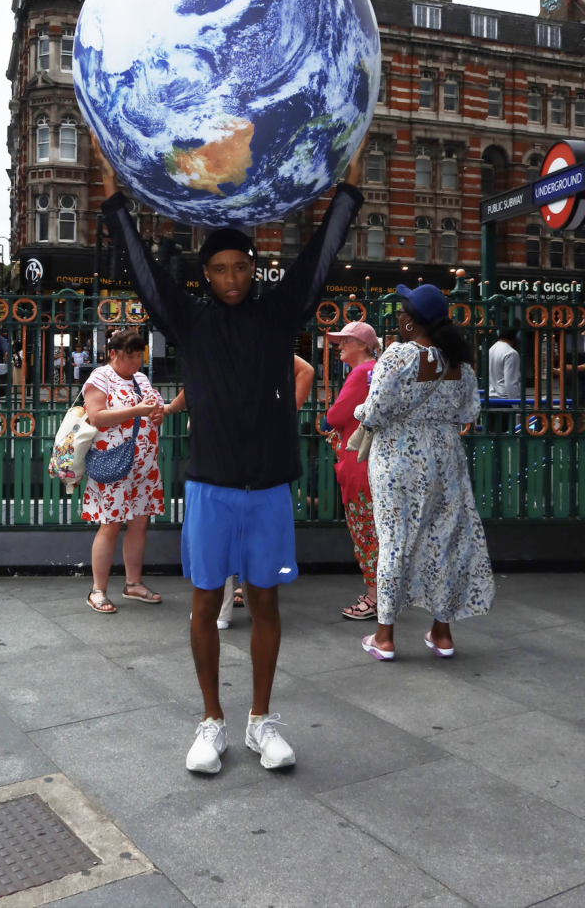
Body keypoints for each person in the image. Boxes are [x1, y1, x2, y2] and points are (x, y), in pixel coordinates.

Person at [94, 131, 364, 774]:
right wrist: (112, 201)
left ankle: (260, 721)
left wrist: (348, 189)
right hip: (213, 487)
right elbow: (139, 263)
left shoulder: (278, 314)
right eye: (218, 270)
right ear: (206, 275)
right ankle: (211, 720)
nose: (231, 279)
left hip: (268, 487)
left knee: (265, 602)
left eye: (240, 267)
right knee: (205, 602)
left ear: (254, 268)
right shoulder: (188, 321)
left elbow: (321, 255)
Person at [355, 283, 494, 661]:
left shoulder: (398, 357)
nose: (397, 317)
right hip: (446, 457)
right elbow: (470, 414)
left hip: (398, 457)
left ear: (413, 324)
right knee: (445, 539)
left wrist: (359, 414)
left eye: (402, 312)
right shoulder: (459, 364)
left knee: (394, 539)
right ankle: (442, 633)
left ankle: (384, 637)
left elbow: (375, 411)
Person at [166, 354, 315, 630]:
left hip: (223, 460)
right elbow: (304, 369)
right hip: (240, 461)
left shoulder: (216, 345)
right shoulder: (259, 345)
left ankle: (228, 610)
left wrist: (287, 412)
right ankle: (248, 608)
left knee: (218, 545)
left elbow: (304, 370)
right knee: (249, 549)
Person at [82, 328, 166, 613]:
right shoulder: (100, 378)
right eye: (130, 357)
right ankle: (98, 590)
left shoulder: (141, 378)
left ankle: (133, 583)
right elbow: (96, 416)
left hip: (144, 465)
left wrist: (157, 413)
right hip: (114, 463)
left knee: (139, 523)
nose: (136, 363)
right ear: (114, 354)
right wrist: (137, 411)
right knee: (111, 524)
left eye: (139, 357)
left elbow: (156, 409)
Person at [323, 322, 380, 620]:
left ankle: (373, 599)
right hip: (372, 463)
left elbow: (335, 415)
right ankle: (379, 593)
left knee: (365, 533)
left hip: (358, 466)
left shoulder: (360, 374)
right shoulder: (375, 370)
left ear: (361, 345)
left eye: (345, 340)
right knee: (375, 531)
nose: (339, 345)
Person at [488, 327, 520, 400]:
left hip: (491, 396)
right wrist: (516, 406)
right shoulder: (511, 353)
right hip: (505, 398)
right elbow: (510, 383)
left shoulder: (492, 349)